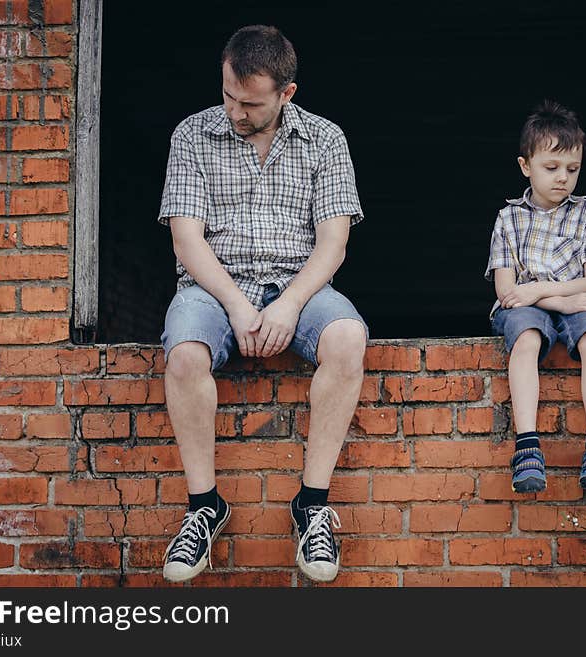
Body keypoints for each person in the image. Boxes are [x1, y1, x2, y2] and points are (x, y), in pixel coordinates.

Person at [157, 25, 367, 583]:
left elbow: (334, 242)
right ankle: (204, 507)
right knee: (183, 353)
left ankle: (312, 506)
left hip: (299, 285)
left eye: (250, 103)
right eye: (227, 94)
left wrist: (288, 305)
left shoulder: (326, 139)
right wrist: (237, 305)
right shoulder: (192, 135)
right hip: (211, 287)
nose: (234, 110)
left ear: (286, 94)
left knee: (348, 338)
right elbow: (186, 238)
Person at [484, 100, 586, 494]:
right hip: (530, 308)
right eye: (552, 167)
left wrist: (540, 288)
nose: (563, 178)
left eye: (572, 169)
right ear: (526, 166)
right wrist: (558, 300)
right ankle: (527, 448)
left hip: (573, 301)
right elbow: (508, 293)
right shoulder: (508, 219)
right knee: (525, 338)